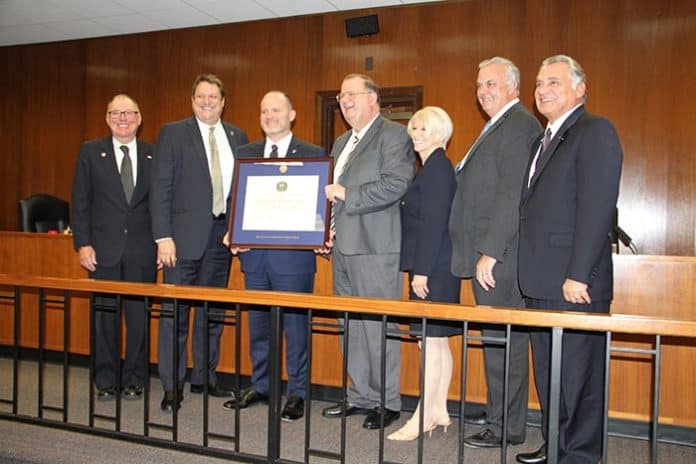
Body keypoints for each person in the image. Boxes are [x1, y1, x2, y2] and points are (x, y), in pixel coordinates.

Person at [516, 55, 622, 464]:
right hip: (540, 280)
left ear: (580, 88)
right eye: (539, 83)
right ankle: (555, 446)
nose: (542, 90)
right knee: (550, 374)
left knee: (579, 377)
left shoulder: (594, 131)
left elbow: (597, 208)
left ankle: (579, 456)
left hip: (573, 283)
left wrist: (579, 274)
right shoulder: (540, 141)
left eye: (554, 82)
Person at [449, 57, 542, 448]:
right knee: (496, 345)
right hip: (489, 257)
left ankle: (508, 428)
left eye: (491, 84)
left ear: (513, 87)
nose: (483, 91)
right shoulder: (497, 126)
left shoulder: (519, 125)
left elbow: (510, 196)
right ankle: (499, 416)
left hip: (500, 260)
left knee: (506, 346)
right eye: (479, 85)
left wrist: (490, 251)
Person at [221, 91, 324, 422]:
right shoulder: (245, 153)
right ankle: (261, 385)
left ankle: (297, 393)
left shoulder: (312, 153)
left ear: (291, 114)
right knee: (259, 327)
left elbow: (319, 206)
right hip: (255, 258)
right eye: (264, 110)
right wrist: (232, 233)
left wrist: (320, 230)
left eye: (276, 110)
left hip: (293, 260)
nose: (270, 116)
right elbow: (233, 199)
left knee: (295, 329)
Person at [321, 73, 415, 430]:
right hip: (342, 249)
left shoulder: (393, 135)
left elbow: (396, 184)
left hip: (376, 249)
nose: (345, 101)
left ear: (373, 98)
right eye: (341, 95)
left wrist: (347, 194)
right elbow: (328, 195)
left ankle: (387, 401)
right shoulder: (341, 141)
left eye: (352, 94)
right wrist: (325, 231)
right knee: (350, 326)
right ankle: (360, 395)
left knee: (377, 327)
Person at [151, 74, 248, 412]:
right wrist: (163, 237)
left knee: (212, 313)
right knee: (174, 315)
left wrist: (237, 230)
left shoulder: (238, 136)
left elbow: (242, 191)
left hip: (220, 240)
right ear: (192, 101)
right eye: (201, 97)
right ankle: (171, 386)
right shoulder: (173, 133)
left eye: (213, 97)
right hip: (180, 241)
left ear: (223, 102)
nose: (207, 102)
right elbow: (161, 188)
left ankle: (204, 379)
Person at [71, 94, 156, 401]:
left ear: (139, 118)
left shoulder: (152, 154)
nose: (123, 118)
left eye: (129, 113)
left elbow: (159, 205)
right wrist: (83, 243)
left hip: (142, 251)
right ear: (107, 118)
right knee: (104, 320)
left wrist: (161, 242)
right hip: (102, 250)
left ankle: (135, 379)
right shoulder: (91, 152)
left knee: (138, 321)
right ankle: (105, 379)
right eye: (116, 113)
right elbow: (80, 202)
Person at [387, 106, 459, 441]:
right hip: (437, 267)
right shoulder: (433, 167)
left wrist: (421, 272)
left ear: (441, 133)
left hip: (431, 269)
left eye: (424, 128)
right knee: (437, 341)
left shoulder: (437, 169)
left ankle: (422, 417)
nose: (416, 133)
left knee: (429, 343)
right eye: (414, 127)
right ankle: (439, 409)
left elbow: (433, 225)